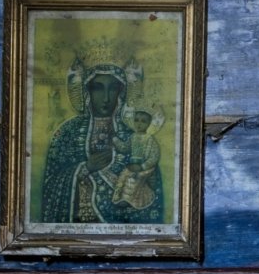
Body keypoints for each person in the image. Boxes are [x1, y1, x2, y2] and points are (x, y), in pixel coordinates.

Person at [35, 64, 164, 224]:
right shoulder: (68, 132)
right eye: (98, 88)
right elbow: (50, 186)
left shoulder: (134, 135)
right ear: (87, 92)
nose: (106, 98)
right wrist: (84, 168)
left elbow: (152, 189)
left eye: (113, 88)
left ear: (121, 93)